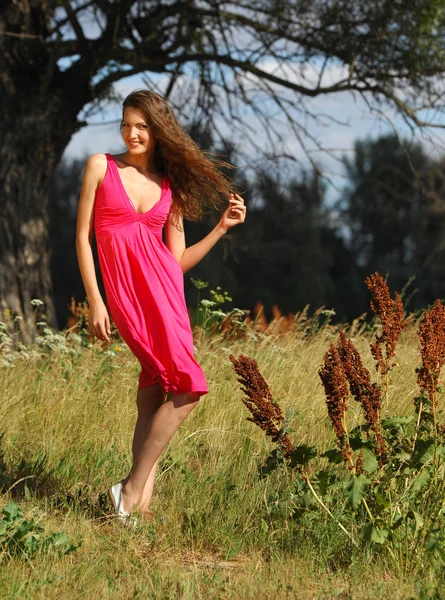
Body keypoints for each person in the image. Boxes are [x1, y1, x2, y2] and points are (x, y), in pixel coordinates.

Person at [75, 89, 246, 523]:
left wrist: (221, 229)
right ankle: (130, 491)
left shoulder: (170, 187)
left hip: (166, 298)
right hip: (126, 296)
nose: (132, 134)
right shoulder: (101, 166)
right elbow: (83, 238)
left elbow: (177, 262)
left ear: (157, 131)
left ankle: (136, 507)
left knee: (157, 391)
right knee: (190, 384)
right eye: (127, 124)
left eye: (142, 127)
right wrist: (96, 301)